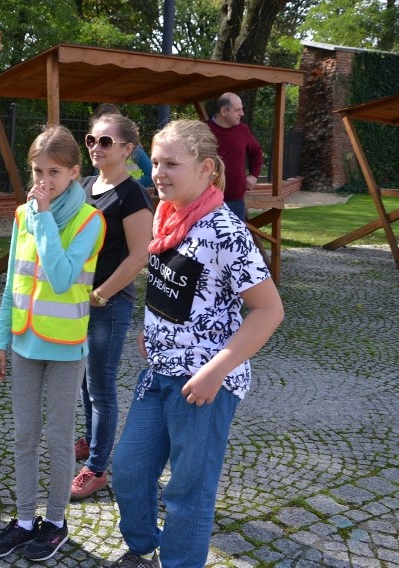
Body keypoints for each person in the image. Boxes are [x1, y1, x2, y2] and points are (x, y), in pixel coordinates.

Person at [111, 119, 283, 568]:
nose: (158, 173)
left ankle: (180, 561)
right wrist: (152, 331)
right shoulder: (168, 217)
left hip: (204, 385)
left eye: (171, 163)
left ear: (207, 168)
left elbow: (269, 311)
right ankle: (144, 543)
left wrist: (216, 371)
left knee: (188, 488)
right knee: (129, 469)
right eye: (155, 162)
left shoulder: (226, 232)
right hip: (160, 372)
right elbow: (175, 288)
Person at [0, 125, 105, 562]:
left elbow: (59, 275)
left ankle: (54, 522)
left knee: (57, 438)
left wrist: (45, 217)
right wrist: (0, 340)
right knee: (23, 436)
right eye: (37, 171)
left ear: (75, 172)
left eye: (54, 172)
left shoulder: (90, 220)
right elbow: (14, 282)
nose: (43, 181)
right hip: (23, 344)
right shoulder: (23, 216)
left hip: (65, 346)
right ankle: (22, 520)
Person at [72, 113, 153, 500]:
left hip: (109, 301)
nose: (95, 148)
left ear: (127, 149)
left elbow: (140, 256)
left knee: (101, 386)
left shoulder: (133, 194)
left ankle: (97, 467)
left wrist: (101, 293)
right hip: (79, 300)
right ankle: (91, 439)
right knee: (86, 381)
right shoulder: (85, 185)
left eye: (105, 142)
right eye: (91, 139)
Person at [207, 92, 264, 221]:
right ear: (223, 111)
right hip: (206, 200)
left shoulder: (242, 130)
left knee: (237, 240)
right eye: (237, 110)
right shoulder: (204, 130)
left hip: (235, 201)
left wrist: (254, 174)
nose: (242, 113)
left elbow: (256, 151)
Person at [92, 103, 153, 188]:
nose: (96, 147)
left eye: (105, 141)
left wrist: (129, 188)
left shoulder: (135, 149)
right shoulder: (99, 153)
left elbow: (151, 173)